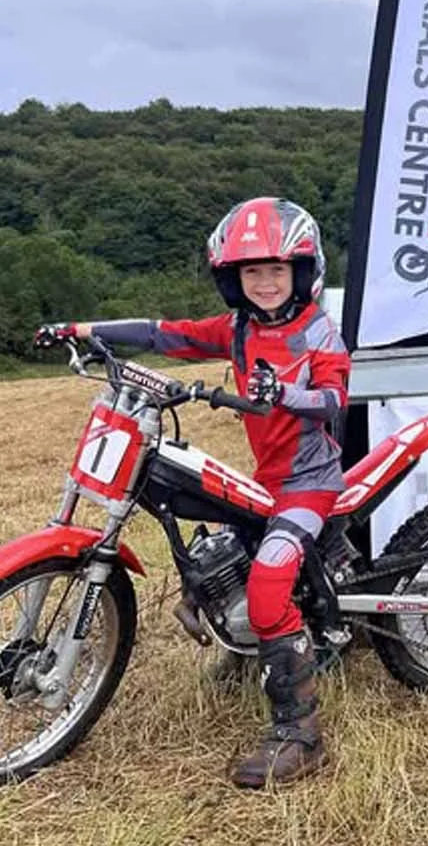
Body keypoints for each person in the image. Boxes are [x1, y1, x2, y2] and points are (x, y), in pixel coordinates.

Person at [38, 196, 349, 789]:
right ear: (232, 280)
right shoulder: (237, 330)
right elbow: (164, 335)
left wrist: (284, 394)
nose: (263, 282)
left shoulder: (319, 332)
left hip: (309, 484)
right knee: (212, 555)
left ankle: (300, 733)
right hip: (268, 478)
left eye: (276, 270)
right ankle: (246, 648)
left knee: (266, 585)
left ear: (303, 273)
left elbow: (334, 398)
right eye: (250, 272)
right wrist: (82, 329)